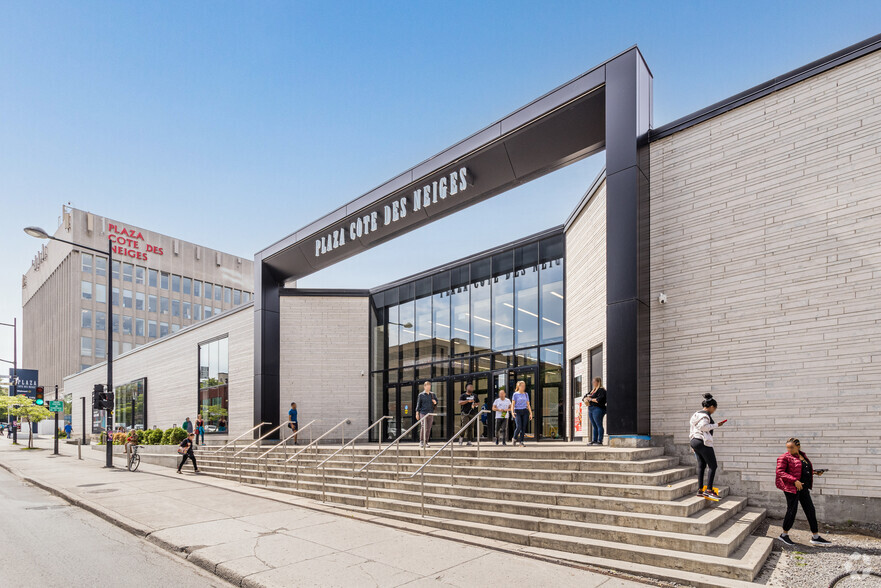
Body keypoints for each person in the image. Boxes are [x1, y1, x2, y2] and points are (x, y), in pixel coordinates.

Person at [776, 437, 831, 546]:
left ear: (798, 446)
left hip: (803, 488)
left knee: (810, 509)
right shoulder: (784, 457)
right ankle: (783, 535)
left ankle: (815, 536)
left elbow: (801, 470)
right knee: (792, 510)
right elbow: (780, 472)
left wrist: (814, 472)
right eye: (788, 448)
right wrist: (794, 480)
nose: (789, 450)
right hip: (791, 488)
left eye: (792, 447)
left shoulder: (803, 456)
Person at [689, 393, 725, 501]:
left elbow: (693, 429)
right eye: (714, 409)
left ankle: (700, 490)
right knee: (713, 466)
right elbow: (703, 427)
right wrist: (716, 425)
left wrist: (693, 443)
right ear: (712, 407)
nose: (714, 411)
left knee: (702, 465)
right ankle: (709, 490)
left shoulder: (696, 414)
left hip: (694, 440)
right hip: (702, 441)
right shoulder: (705, 415)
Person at [583, 377, 607, 446]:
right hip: (590, 408)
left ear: (598, 382)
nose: (593, 383)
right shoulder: (592, 390)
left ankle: (600, 441)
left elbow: (598, 400)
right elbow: (585, 397)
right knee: (594, 425)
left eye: (594, 382)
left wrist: (590, 399)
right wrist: (587, 398)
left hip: (598, 409)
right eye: (592, 382)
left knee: (599, 425)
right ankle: (594, 440)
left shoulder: (601, 390)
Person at [415, 381, 438, 449]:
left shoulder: (432, 394)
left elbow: (437, 402)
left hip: (430, 413)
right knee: (423, 426)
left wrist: (435, 402)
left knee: (428, 428)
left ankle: (426, 441)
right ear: (424, 387)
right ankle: (421, 441)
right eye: (427, 386)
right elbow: (418, 405)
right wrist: (417, 413)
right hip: (423, 413)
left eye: (429, 386)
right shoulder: (421, 395)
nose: (429, 387)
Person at [511, 380, 533, 447]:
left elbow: (528, 404)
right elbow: (513, 404)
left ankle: (521, 442)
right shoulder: (515, 394)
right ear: (519, 386)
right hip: (517, 411)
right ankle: (514, 438)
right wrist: (512, 412)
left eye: (524, 386)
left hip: (525, 411)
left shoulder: (526, 394)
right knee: (519, 426)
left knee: (523, 428)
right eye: (522, 386)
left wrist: (531, 413)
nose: (523, 387)